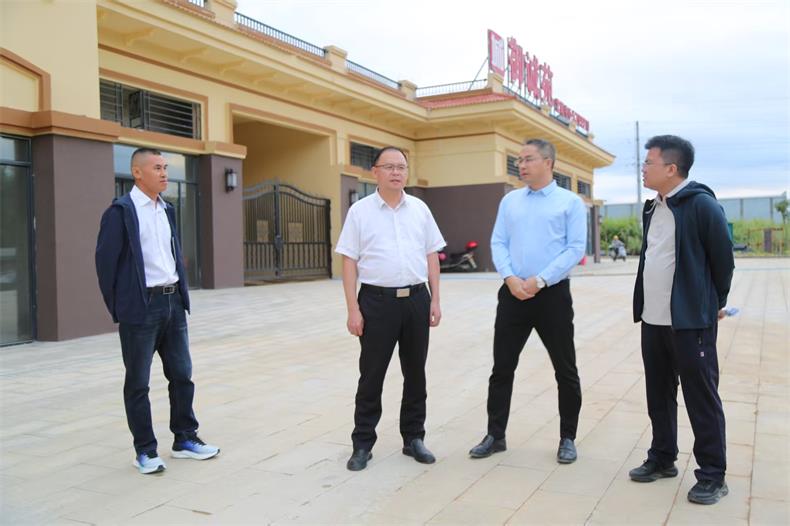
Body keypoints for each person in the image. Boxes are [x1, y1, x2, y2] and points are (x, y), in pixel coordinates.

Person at [95, 148, 219, 475]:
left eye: (165, 167)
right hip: (141, 307)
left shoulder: (167, 209)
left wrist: (180, 294)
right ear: (137, 172)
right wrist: (122, 307)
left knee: (182, 375)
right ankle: (145, 451)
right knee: (138, 383)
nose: (164, 173)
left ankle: (185, 439)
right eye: (157, 168)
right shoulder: (120, 212)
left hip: (173, 303)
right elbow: (105, 265)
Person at [630, 135, 734, 505]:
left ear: (671, 168)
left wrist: (714, 302)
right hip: (653, 319)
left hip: (691, 322)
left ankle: (712, 475)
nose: (643, 168)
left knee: (700, 397)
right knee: (658, 393)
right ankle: (662, 458)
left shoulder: (701, 205)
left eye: (649, 162)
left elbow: (723, 259)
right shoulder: (653, 208)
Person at [469, 138, 586, 464]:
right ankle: (495, 435)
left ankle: (567, 438)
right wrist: (510, 278)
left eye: (528, 159)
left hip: (552, 296)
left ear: (548, 163)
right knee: (501, 368)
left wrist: (541, 280)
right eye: (519, 159)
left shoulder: (570, 202)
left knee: (565, 369)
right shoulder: (510, 201)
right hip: (513, 294)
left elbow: (575, 249)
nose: (521, 165)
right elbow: (498, 242)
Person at [336, 146, 445, 471]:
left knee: (416, 373)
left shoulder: (420, 209)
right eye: (389, 167)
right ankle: (362, 444)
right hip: (376, 302)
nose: (396, 172)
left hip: (416, 300)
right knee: (371, 375)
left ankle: (414, 438)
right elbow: (349, 261)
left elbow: (431, 256)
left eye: (401, 167)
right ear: (375, 172)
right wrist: (353, 309)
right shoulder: (360, 212)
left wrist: (435, 299)